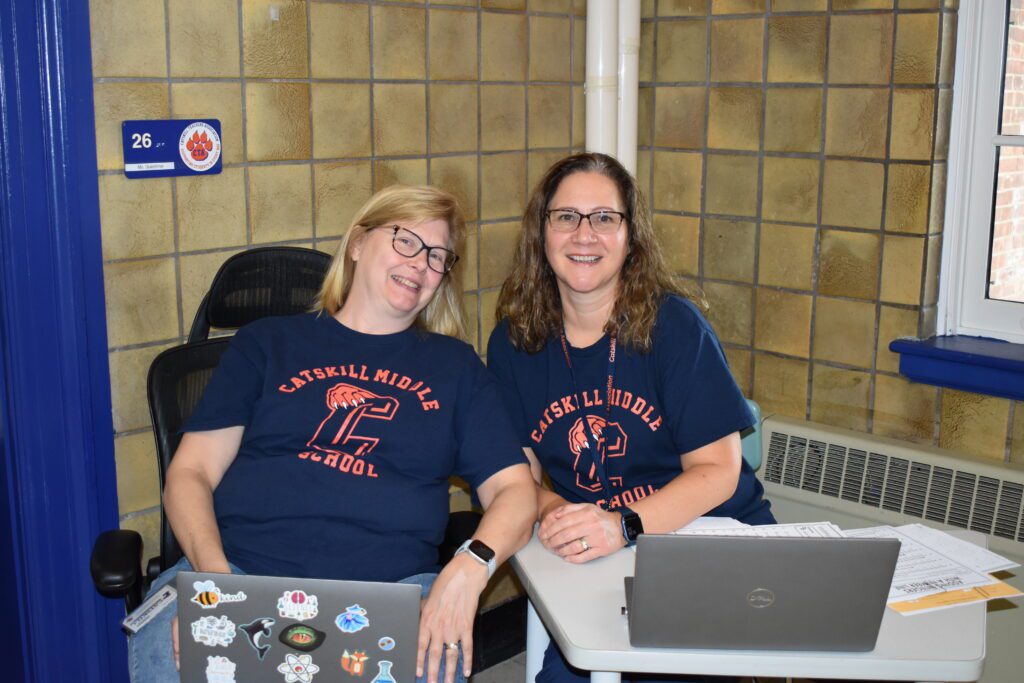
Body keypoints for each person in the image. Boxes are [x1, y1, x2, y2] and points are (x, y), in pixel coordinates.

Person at [130, 185, 537, 683]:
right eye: (405, 240)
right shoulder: (268, 343)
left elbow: (516, 491)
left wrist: (468, 570)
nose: (420, 264)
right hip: (236, 569)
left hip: (388, 592)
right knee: (167, 663)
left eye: (437, 256)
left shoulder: (455, 369)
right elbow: (190, 472)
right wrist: (214, 584)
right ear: (359, 242)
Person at [486, 153, 774, 683]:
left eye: (604, 218)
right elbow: (519, 478)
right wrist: (562, 516)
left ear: (630, 236)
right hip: (599, 557)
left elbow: (718, 470)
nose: (584, 234)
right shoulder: (513, 341)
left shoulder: (675, 328)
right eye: (566, 216)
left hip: (704, 538)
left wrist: (622, 525)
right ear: (541, 233)